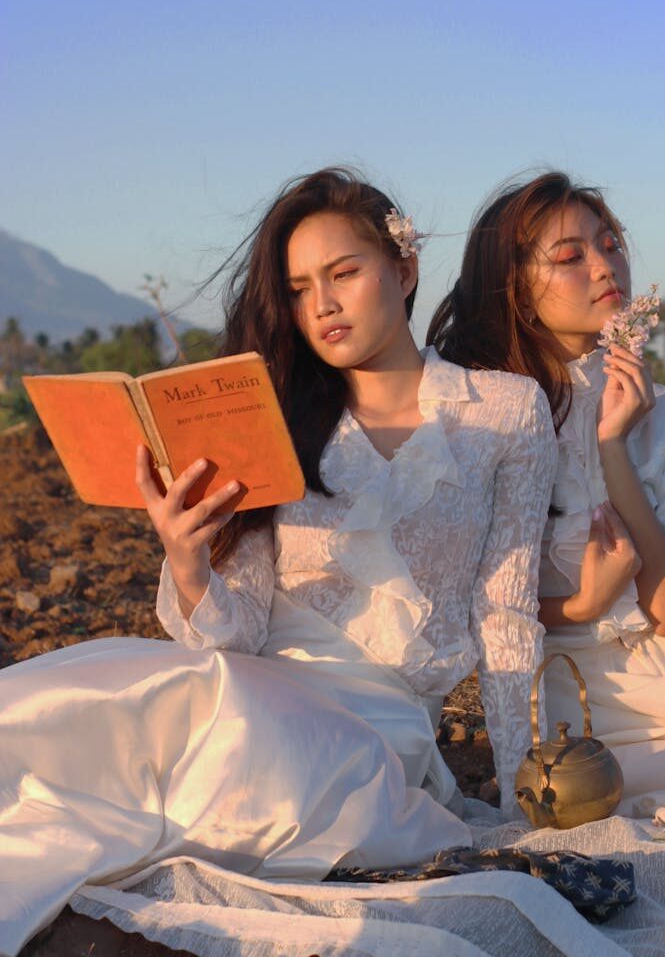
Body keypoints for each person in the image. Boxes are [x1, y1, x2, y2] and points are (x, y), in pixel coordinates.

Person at [0, 168, 557, 957]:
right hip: (258, 687)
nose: (321, 304)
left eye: (344, 273)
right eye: (298, 288)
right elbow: (237, 634)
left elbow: (506, 616)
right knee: (80, 722)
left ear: (403, 269)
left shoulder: (506, 409)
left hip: (379, 723)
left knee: (211, 771)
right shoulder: (275, 421)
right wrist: (188, 559)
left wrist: (516, 792)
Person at [429, 170, 665, 818]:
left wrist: (614, 450)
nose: (606, 266)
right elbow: (462, 604)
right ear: (514, 287)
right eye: (571, 256)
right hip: (565, 680)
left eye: (611, 244)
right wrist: (586, 603)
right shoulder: (476, 414)